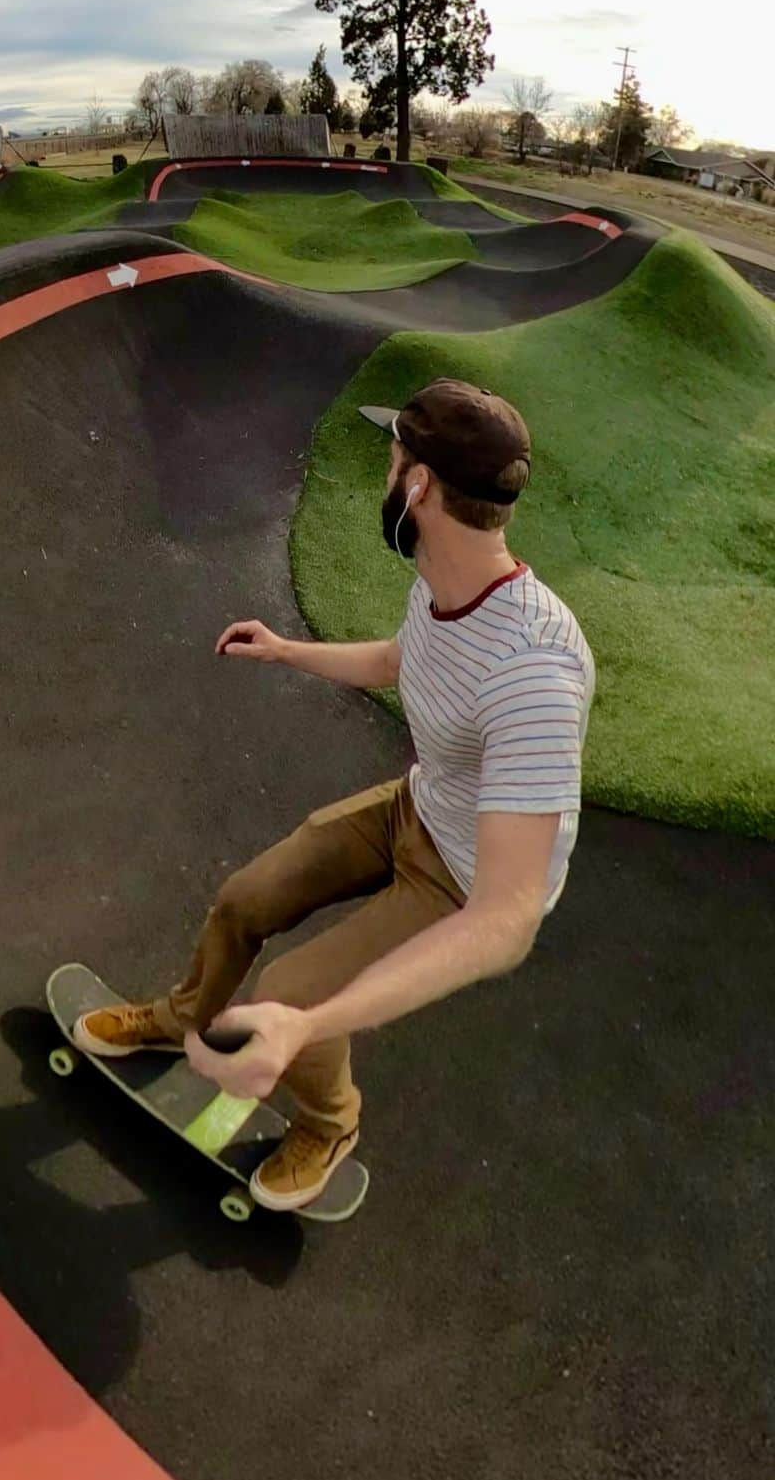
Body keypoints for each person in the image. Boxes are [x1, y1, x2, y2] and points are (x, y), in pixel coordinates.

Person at [74, 378, 595, 1210]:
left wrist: (306, 1027)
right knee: (246, 899)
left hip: (463, 877)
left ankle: (328, 1120)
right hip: (417, 806)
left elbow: (507, 917)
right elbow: (401, 660)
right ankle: (181, 1021)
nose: (386, 474)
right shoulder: (445, 576)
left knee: (291, 991)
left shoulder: (535, 669)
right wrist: (286, 650)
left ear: (419, 485)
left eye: (394, 460)